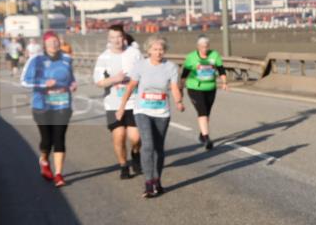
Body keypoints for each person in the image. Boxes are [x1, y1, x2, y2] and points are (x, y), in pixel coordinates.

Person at [117, 36, 184, 198]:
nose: (158, 52)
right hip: (142, 110)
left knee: (159, 149)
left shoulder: (171, 67)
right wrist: (122, 107)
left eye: (161, 49)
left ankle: (157, 181)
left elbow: (174, 87)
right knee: (148, 145)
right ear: (148, 51)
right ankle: (148, 183)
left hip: (162, 112)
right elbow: (131, 86)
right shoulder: (140, 66)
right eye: (155, 49)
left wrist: (178, 102)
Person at [20, 31, 77, 187]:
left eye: (56, 41)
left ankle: (58, 174)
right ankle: (44, 159)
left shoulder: (66, 58)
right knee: (47, 141)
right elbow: (24, 81)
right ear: (44, 44)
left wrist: (72, 84)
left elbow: (70, 77)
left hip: (63, 104)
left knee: (59, 138)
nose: (53, 44)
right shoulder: (36, 59)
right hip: (42, 106)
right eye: (50, 42)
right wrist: (44, 83)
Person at [93, 24, 143, 179]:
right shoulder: (104, 57)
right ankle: (123, 166)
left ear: (124, 37)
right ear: (109, 39)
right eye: (113, 37)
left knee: (135, 138)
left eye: (119, 36)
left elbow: (144, 72)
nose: (116, 40)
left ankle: (135, 153)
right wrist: (115, 79)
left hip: (134, 102)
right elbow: (98, 82)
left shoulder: (134, 53)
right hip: (113, 104)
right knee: (119, 136)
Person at [180, 35, 227, 150]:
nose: (204, 49)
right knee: (202, 112)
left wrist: (224, 82)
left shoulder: (214, 55)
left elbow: (221, 69)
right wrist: (181, 87)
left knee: (207, 113)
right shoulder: (191, 57)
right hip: (195, 88)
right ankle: (206, 138)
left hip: (210, 88)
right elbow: (185, 73)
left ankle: (202, 134)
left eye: (206, 47)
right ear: (198, 47)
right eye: (202, 47)